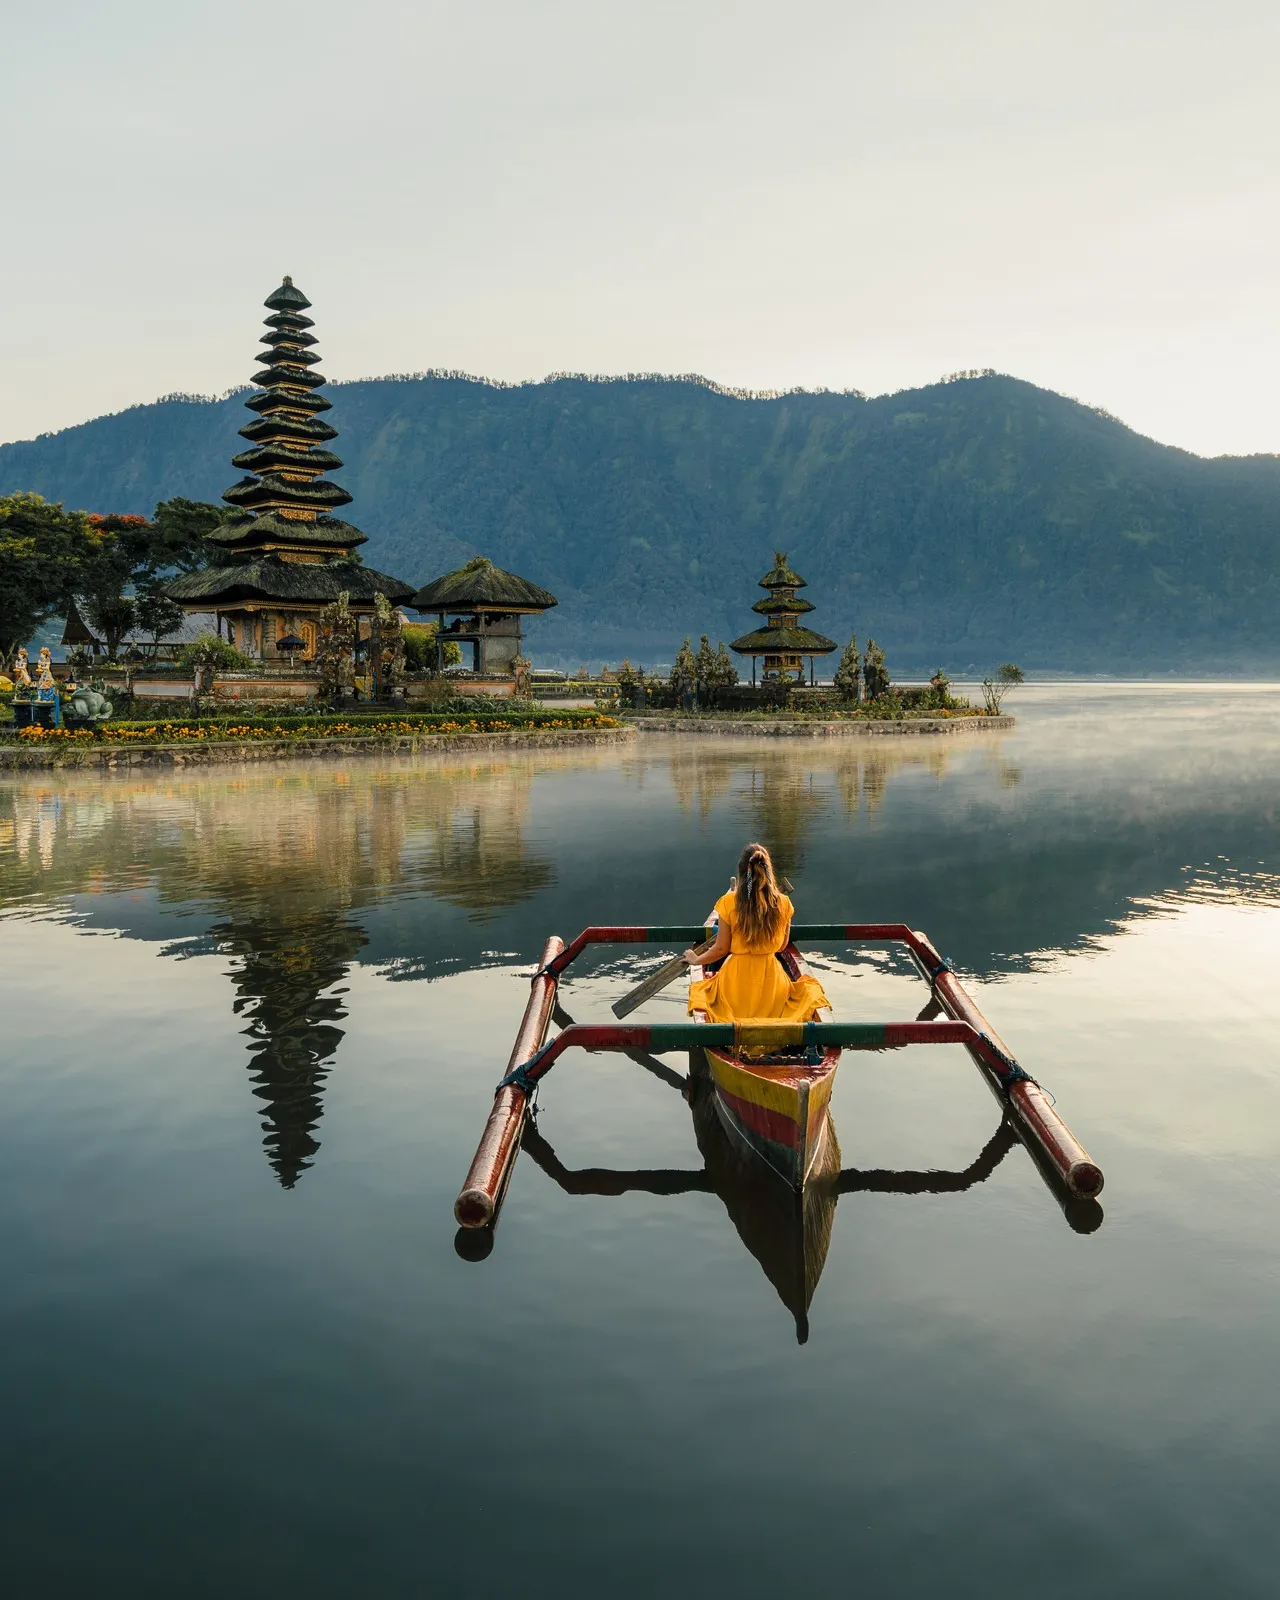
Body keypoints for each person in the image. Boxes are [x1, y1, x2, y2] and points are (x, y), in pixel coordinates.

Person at [683, 842, 829, 1022]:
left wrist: (696, 960)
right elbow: (782, 945)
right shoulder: (783, 903)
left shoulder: (728, 902)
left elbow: (721, 949)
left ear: (742, 871)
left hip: (735, 983)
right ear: (768, 870)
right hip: (773, 983)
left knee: (705, 994)